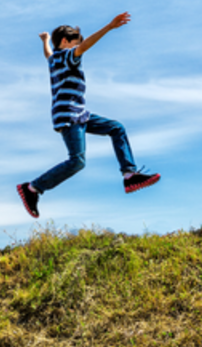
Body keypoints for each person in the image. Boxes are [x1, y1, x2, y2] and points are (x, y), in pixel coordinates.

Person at [17, 12, 161, 218]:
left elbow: (48, 53)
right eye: (75, 43)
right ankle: (32, 188)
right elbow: (84, 47)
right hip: (70, 115)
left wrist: (46, 40)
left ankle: (130, 175)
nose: (78, 49)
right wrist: (109, 27)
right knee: (77, 161)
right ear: (66, 42)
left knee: (116, 127)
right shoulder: (68, 56)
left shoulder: (54, 59)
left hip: (80, 114)